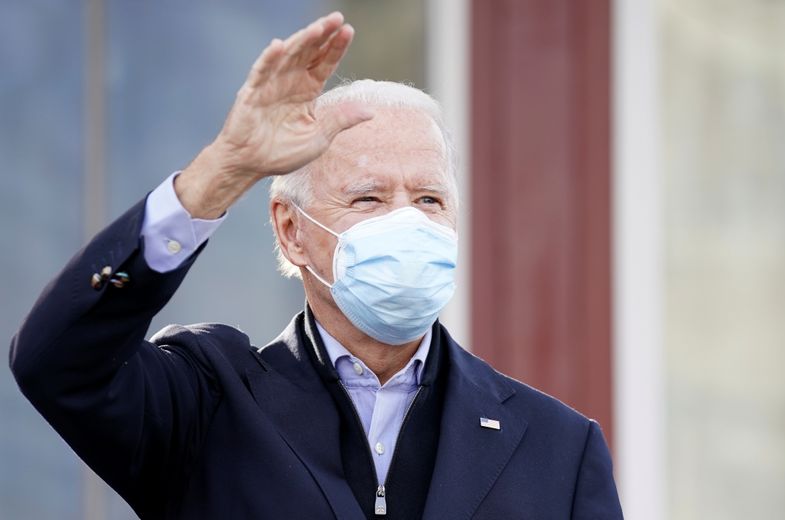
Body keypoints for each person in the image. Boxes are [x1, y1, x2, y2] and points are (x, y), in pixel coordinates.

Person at [10, 12, 623, 520]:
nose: (406, 221)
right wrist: (220, 173)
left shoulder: (557, 449)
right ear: (291, 230)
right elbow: (57, 360)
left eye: (430, 199)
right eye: (369, 198)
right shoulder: (207, 407)